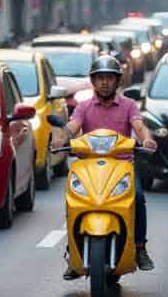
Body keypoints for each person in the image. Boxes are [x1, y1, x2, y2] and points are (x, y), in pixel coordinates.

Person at [52, 55, 157, 278]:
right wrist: (61, 138)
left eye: (109, 78)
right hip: (89, 168)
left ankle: (140, 248)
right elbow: (73, 125)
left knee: (137, 197)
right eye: (100, 78)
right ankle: (73, 253)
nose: (104, 82)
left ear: (117, 81)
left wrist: (146, 139)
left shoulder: (128, 105)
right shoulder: (83, 106)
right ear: (93, 81)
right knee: (74, 200)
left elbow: (139, 126)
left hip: (121, 166)